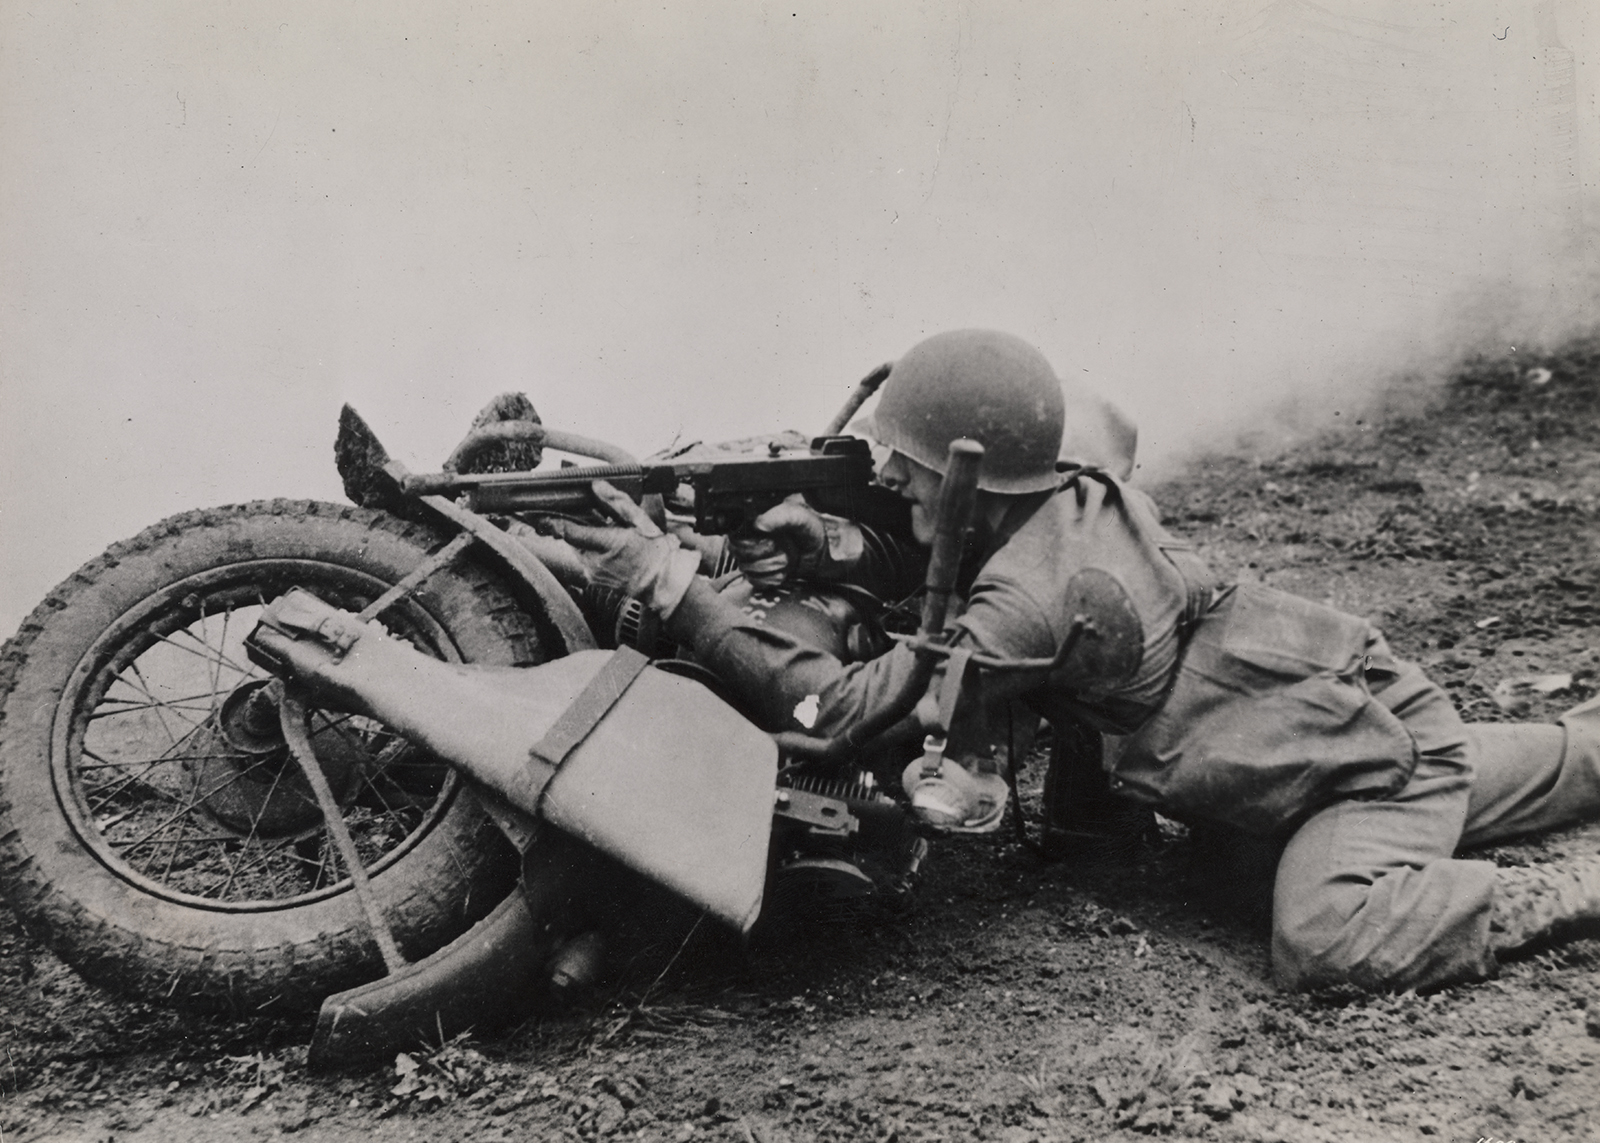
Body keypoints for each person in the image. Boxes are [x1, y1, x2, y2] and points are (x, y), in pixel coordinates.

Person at [548, 329, 1600, 993]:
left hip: (1338, 769)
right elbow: (944, 560)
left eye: (903, 481)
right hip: (1333, 707)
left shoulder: (1031, 604)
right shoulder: (1069, 495)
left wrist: (678, 591)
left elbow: (846, 709)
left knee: (1323, 936)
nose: (895, 495)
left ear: (966, 481)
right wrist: (854, 545)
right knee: (1544, 763)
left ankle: (1543, 899)